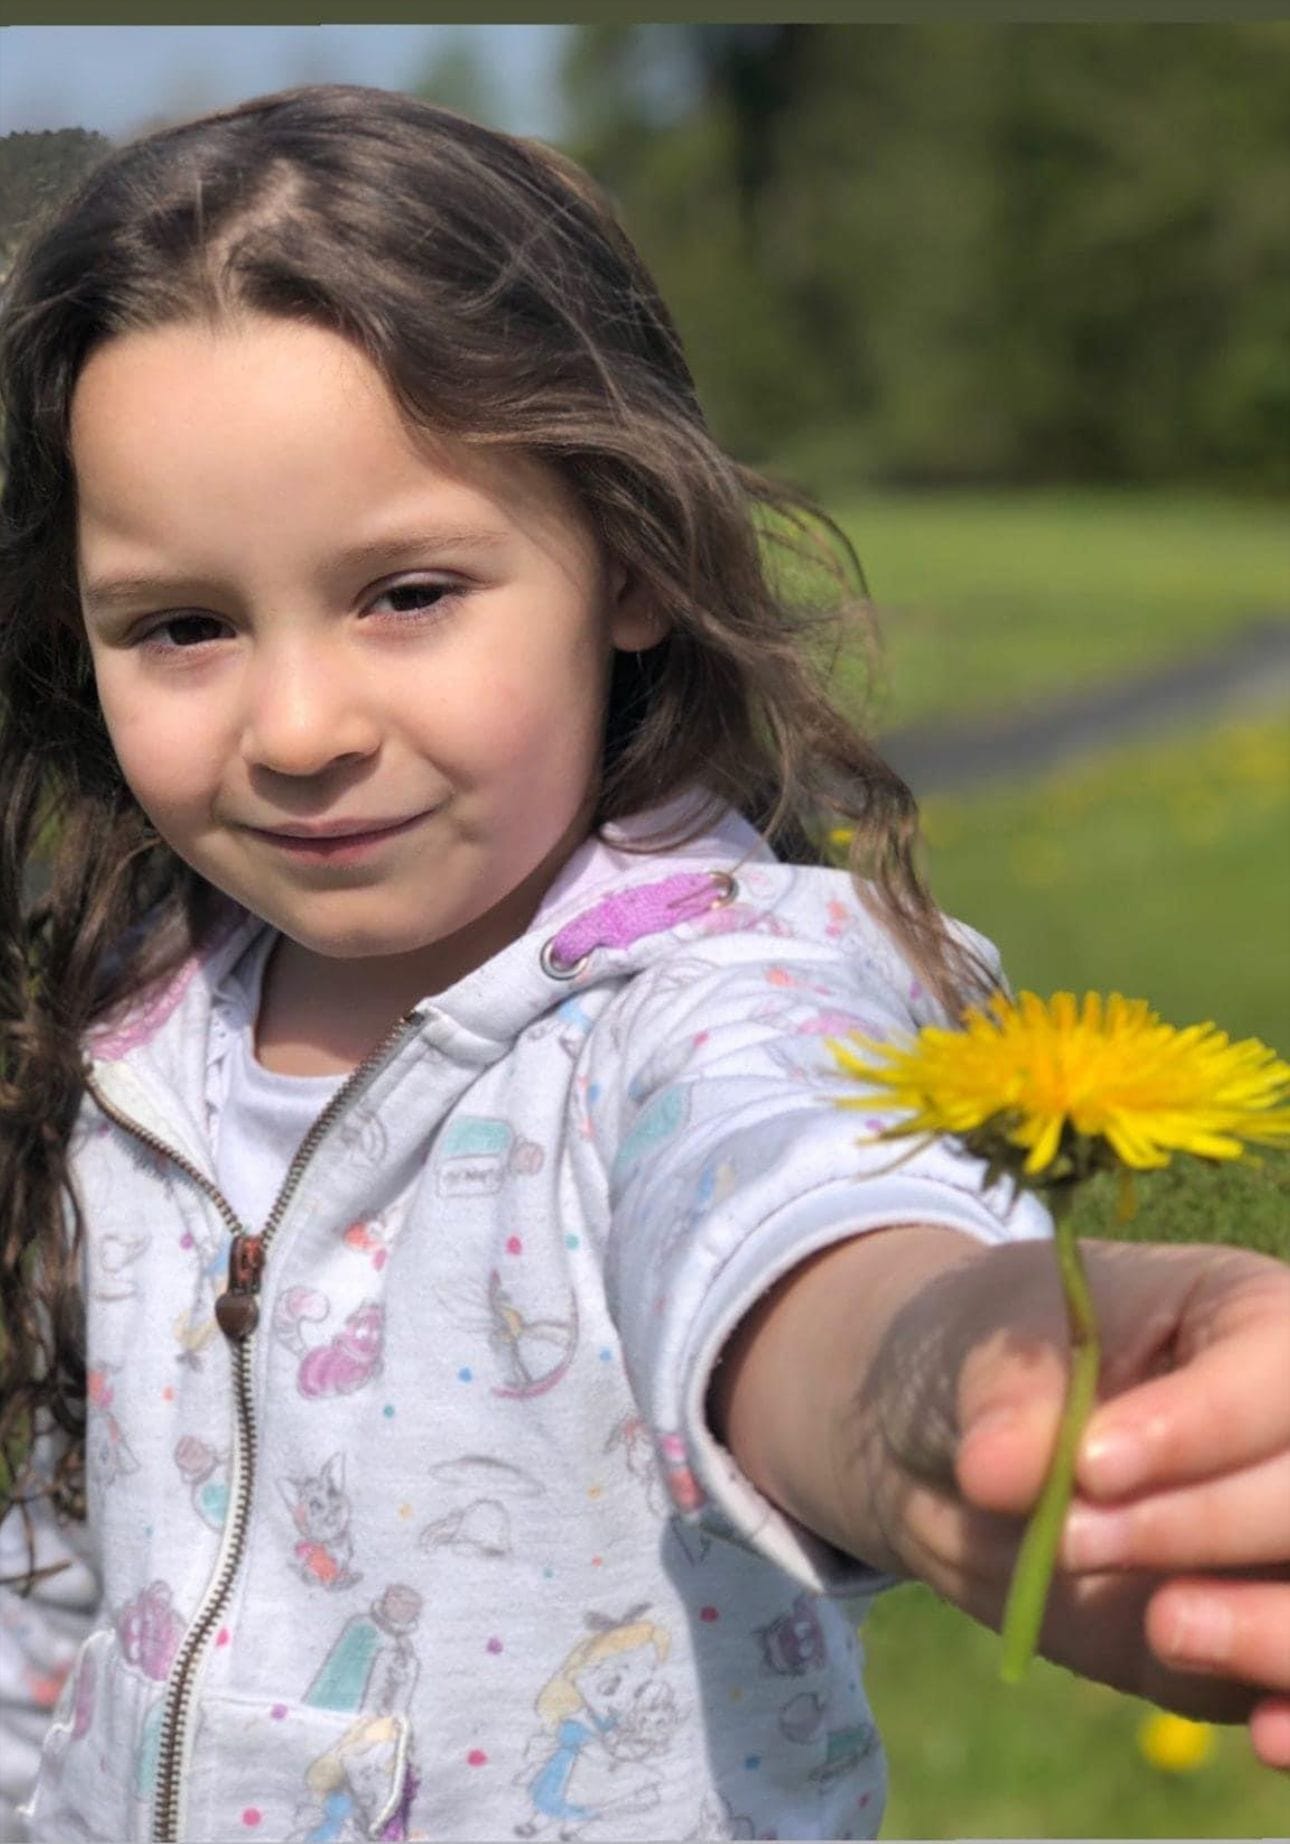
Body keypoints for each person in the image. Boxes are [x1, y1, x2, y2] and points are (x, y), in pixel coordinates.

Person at [0, 84, 1285, 1844]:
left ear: (626, 557)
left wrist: (976, 1386)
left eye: (405, 593)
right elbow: (79, 1570)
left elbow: (799, 1237)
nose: (296, 726)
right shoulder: (142, 1025)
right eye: (183, 626)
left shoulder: (702, 999)